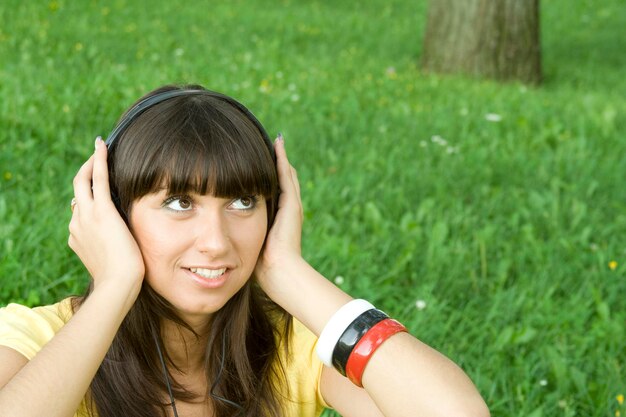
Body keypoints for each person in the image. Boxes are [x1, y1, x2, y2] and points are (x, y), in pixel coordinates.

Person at [0, 84, 489, 417]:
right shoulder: (38, 338)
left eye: (242, 202)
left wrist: (289, 273)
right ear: (111, 213)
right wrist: (114, 287)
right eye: (178, 202)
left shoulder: (295, 349)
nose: (216, 242)